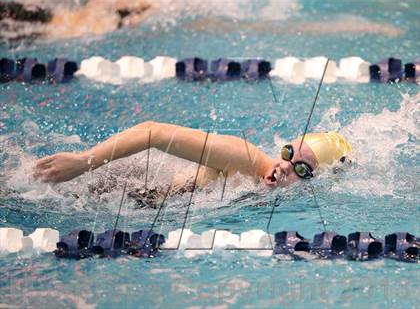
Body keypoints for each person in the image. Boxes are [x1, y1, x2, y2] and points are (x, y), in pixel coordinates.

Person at [33, 120, 352, 188]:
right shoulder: (243, 158)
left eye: (302, 170)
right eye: (288, 153)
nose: (285, 166)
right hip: (121, 186)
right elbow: (153, 132)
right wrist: (85, 161)